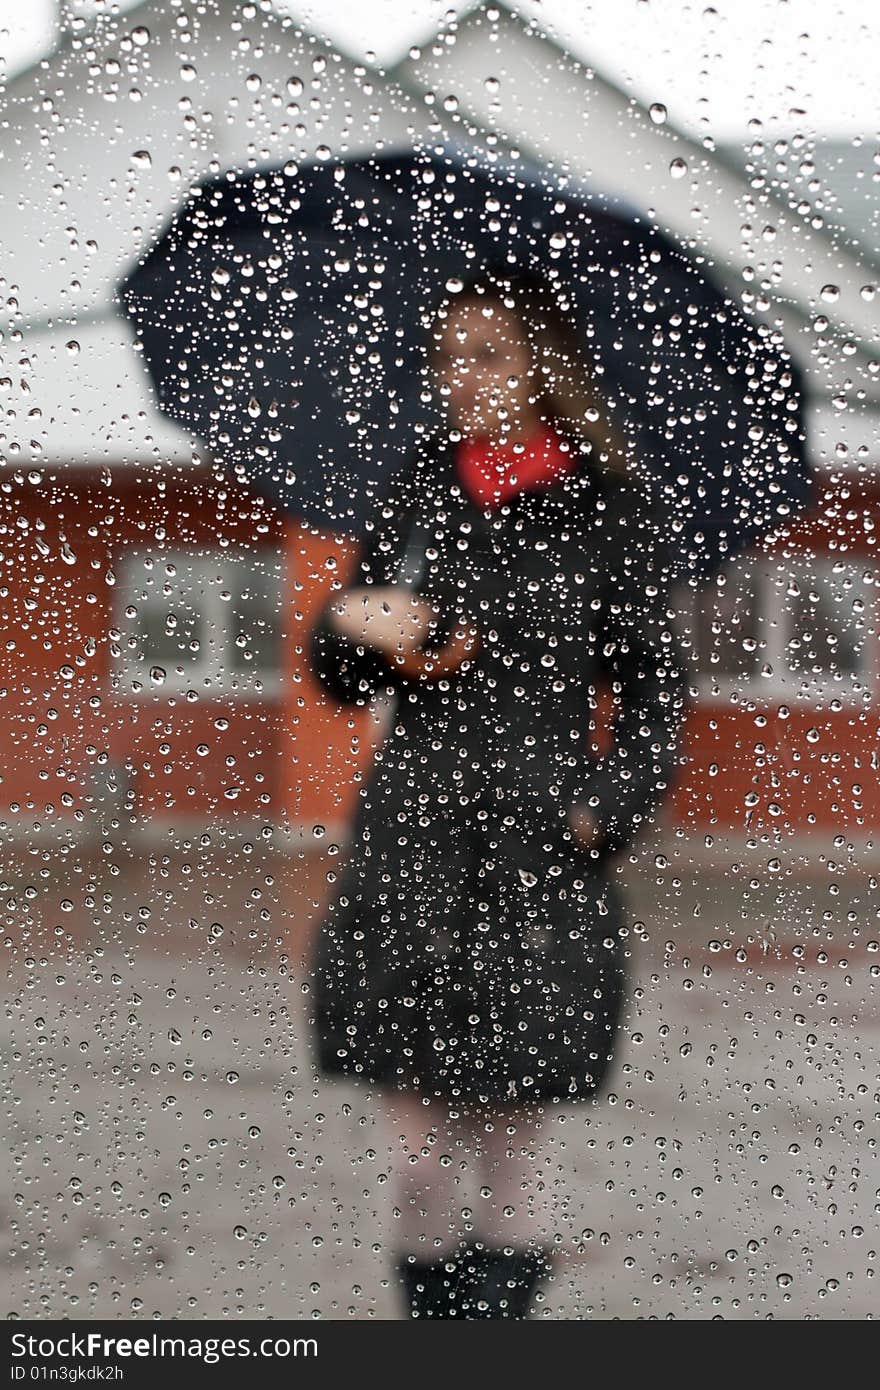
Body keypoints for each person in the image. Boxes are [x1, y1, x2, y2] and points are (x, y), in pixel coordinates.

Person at [307, 268, 692, 1318]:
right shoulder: (416, 487)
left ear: (543, 367)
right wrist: (353, 625)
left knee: (514, 1154)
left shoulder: (610, 510)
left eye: (488, 353)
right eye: (448, 356)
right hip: (414, 841)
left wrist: (604, 811)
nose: (460, 378)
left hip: (540, 854)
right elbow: (340, 674)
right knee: (420, 1163)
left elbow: (657, 695)